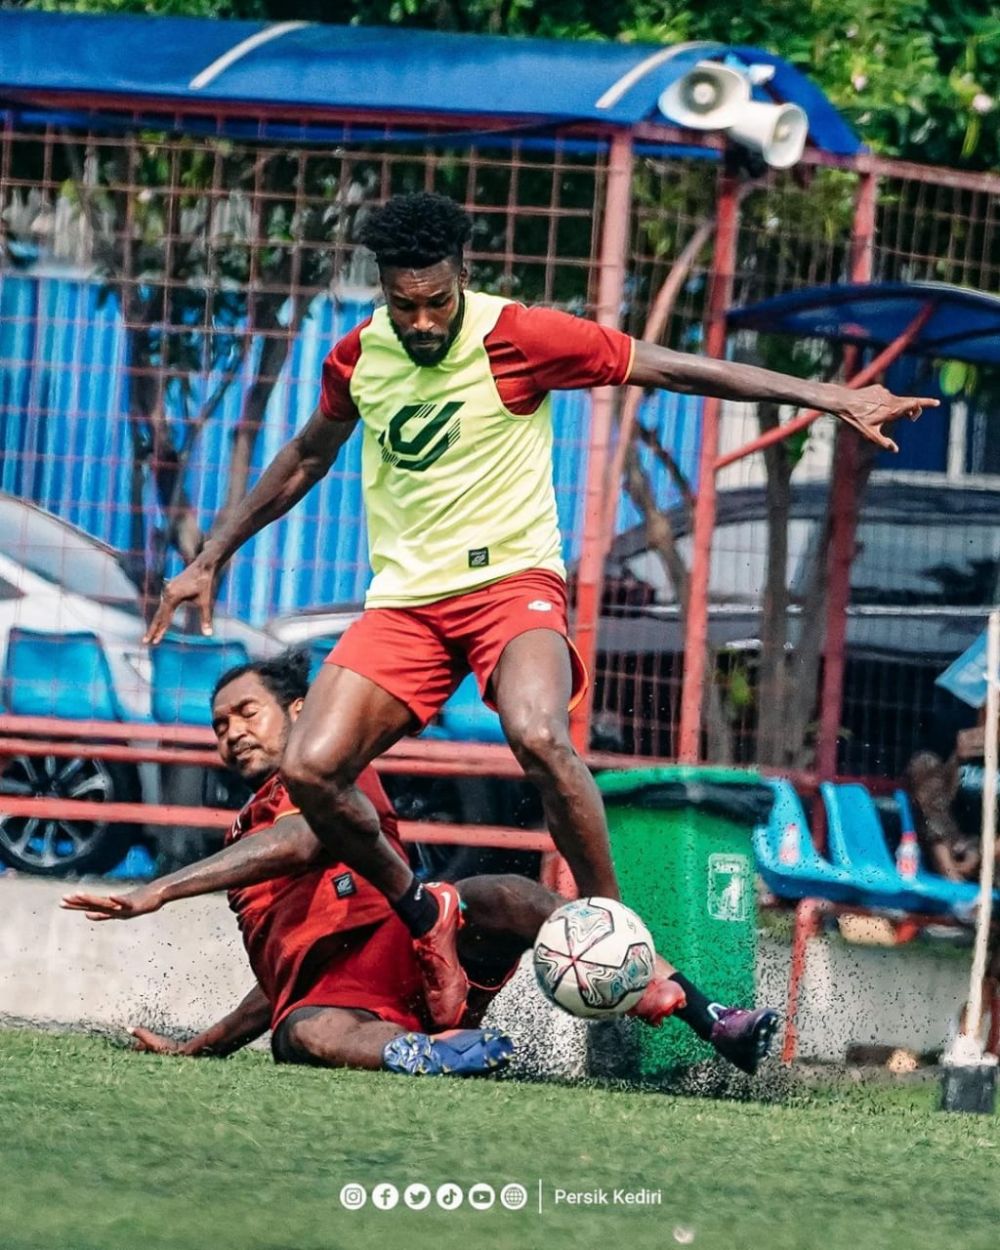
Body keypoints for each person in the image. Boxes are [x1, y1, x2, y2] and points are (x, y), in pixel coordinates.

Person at [144, 191, 936, 1029]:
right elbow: (307, 453)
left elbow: (672, 366)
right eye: (403, 304)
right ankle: (426, 915)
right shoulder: (357, 358)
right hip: (407, 603)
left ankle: (627, 938)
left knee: (538, 733)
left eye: (436, 303)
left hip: (511, 585)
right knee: (308, 768)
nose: (420, 321)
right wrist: (209, 557)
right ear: (383, 292)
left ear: (463, 280)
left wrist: (831, 396)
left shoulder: (521, 336)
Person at [61, 650, 779, 1076]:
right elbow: (284, 986)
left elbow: (304, 840)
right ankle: (434, 1053)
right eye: (220, 726)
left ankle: (707, 1012)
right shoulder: (241, 841)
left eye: (247, 712)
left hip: (419, 946)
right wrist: (201, 1048)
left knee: (503, 893)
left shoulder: (330, 777)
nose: (232, 733)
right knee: (300, 1033)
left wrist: (157, 890)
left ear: (304, 711)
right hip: (348, 1007)